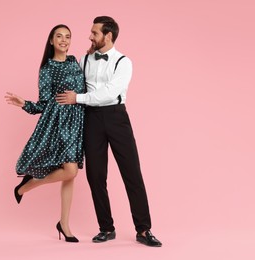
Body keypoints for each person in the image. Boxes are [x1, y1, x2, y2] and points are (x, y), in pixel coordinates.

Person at [56, 16, 162, 247]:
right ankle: (106, 228)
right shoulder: (84, 59)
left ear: (108, 36)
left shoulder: (124, 62)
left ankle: (143, 230)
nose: (90, 36)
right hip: (91, 119)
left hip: (116, 117)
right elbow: (67, 77)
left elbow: (109, 93)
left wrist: (79, 98)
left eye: (94, 33)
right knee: (95, 176)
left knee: (131, 173)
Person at [4, 24, 85, 243]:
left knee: (70, 174)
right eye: (59, 36)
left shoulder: (75, 61)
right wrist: (24, 104)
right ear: (51, 41)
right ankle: (28, 185)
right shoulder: (47, 68)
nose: (64, 40)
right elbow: (43, 104)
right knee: (70, 171)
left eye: (68, 37)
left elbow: (83, 92)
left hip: (76, 123)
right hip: (57, 125)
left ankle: (64, 224)